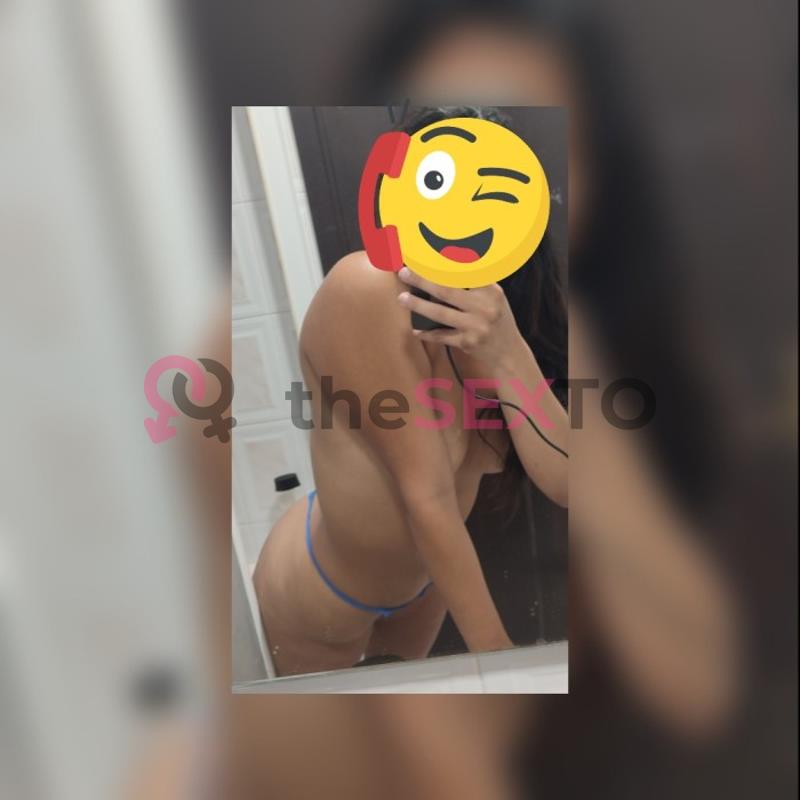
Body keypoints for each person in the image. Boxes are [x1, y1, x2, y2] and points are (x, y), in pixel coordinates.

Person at [253, 106, 569, 677]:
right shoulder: (366, 288)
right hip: (324, 590)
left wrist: (508, 351)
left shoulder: (498, 318)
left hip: (427, 586)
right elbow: (426, 495)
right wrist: (505, 667)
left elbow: (567, 482)